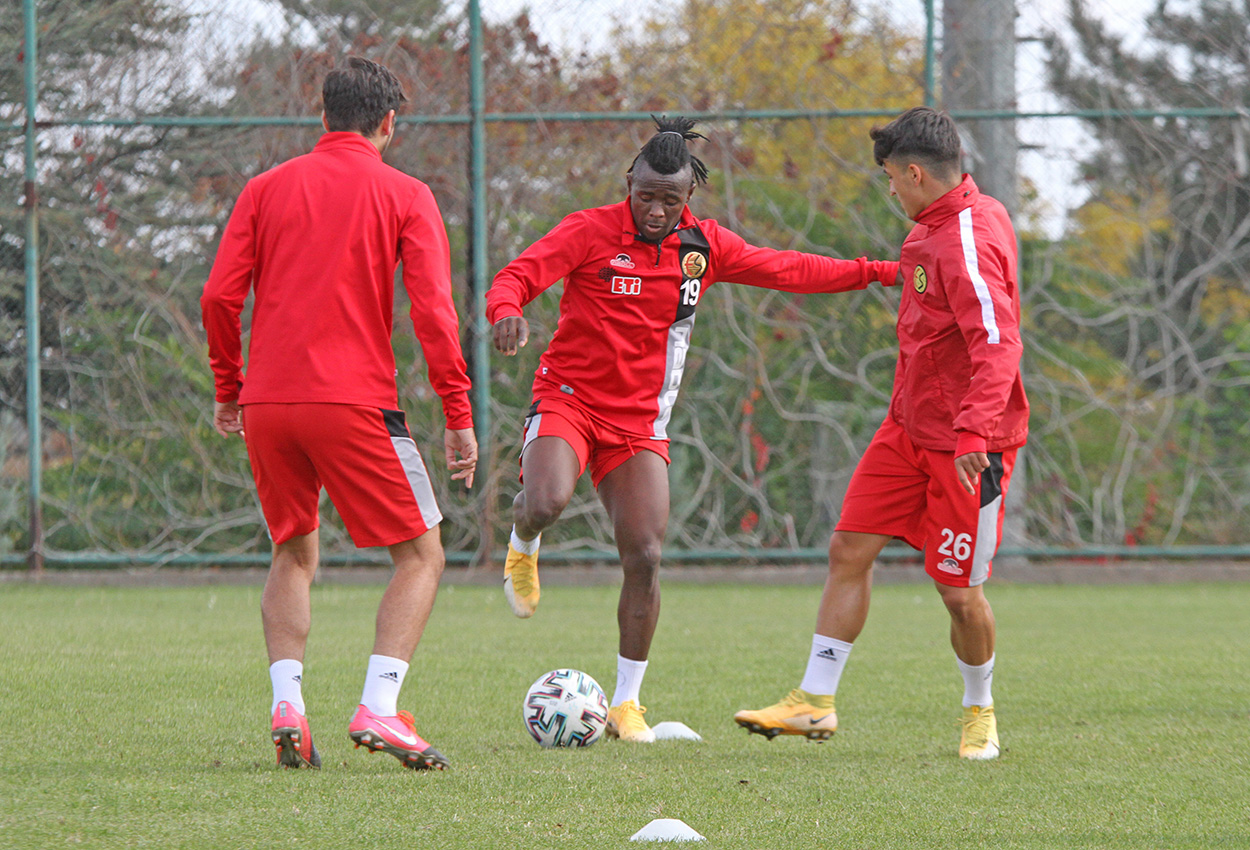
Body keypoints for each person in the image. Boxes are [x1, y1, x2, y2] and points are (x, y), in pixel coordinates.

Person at [488, 116, 900, 743]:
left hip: (639, 423)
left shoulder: (701, 248)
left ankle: (626, 704)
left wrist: (876, 271)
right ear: (629, 181)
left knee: (647, 556)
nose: (655, 209)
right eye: (645, 194)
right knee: (546, 501)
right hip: (568, 398)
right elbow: (517, 274)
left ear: (688, 198)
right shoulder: (589, 230)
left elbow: (787, 269)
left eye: (669, 199)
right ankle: (524, 537)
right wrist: (508, 309)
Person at [200, 57, 477, 771]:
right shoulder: (405, 193)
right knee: (422, 555)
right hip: (353, 402)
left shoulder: (265, 189)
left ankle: (287, 703)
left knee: (293, 550)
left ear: (322, 117)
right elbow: (435, 314)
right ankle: (379, 710)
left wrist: (230, 387)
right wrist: (457, 410)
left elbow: (219, 299)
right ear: (389, 123)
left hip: (268, 405)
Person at [733, 107, 1028, 760]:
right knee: (849, 549)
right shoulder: (937, 228)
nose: (890, 189)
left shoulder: (964, 238)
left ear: (916, 173)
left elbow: (998, 342)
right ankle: (814, 702)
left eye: (892, 179)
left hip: (965, 449)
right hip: (906, 432)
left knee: (958, 594)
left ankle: (979, 708)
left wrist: (976, 433)